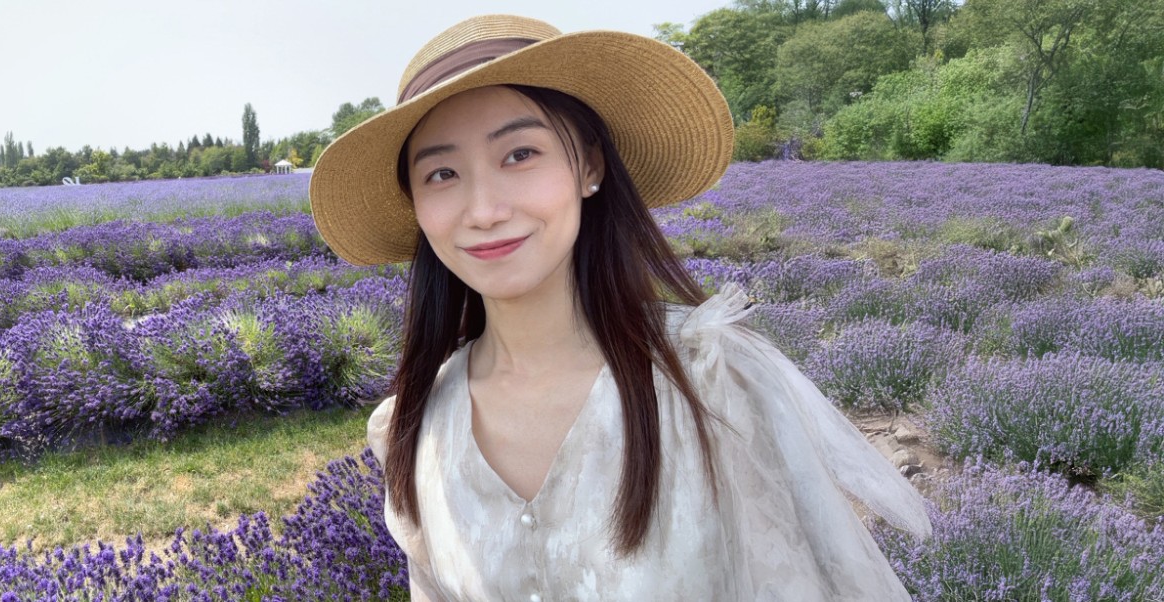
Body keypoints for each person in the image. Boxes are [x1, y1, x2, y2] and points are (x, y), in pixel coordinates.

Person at [309, 14, 931, 601]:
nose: (484, 209)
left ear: (590, 166)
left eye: (520, 154)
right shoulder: (414, 429)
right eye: (441, 174)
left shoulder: (712, 382)